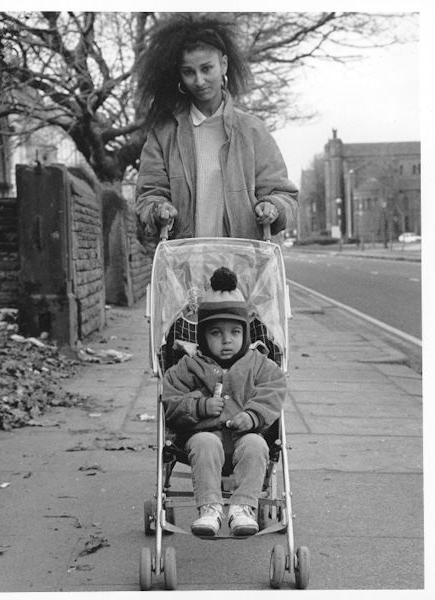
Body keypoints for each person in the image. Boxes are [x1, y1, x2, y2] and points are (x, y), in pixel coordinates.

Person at [135, 14, 298, 243]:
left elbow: (283, 194)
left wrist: (272, 207)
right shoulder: (163, 135)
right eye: (189, 72)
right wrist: (158, 210)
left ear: (223, 64)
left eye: (206, 68)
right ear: (179, 75)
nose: (199, 81)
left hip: (243, 267)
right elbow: (148, 194)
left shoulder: (252, 131)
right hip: (184, 267)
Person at [162, 266, 286, 537]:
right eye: (216, 333)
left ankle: (242, 508)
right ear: (203, 336)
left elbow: (274, 389)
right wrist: (199, 406)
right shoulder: (190, 365)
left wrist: (253, 415)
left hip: (246, 436)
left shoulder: (257, 363)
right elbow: (171, 399)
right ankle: (210, 508)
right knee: (205, 442)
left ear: (245, 333)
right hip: (201, 439)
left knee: (256, 444)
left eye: (234, 332)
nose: (227, 340)